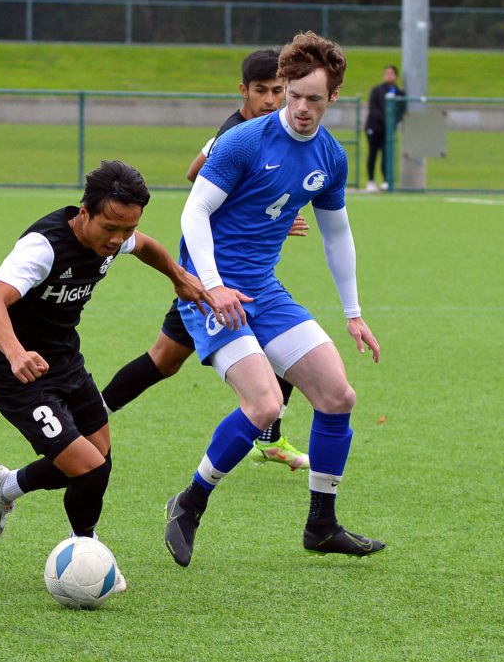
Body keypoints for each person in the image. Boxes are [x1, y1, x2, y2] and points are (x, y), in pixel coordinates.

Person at [163, 32, 385, 567]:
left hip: (264, 288)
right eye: (293, 95)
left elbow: (337, 235)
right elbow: (193, 213)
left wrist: (353, 313)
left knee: (337, 395)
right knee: (265, 404)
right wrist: (211, 286)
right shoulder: (245, 141)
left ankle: (322, 525)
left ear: (334, 97)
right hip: (209, 287)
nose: (302, 108)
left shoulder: (331, 157)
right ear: (282, 89)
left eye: (314, 98)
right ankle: (188, 504)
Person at [0, 160, 219, 589]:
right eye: (111, 227)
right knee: (87, 468)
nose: (118, 239)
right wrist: (16, 354)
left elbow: (145, 246)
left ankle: (7, 485)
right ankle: (85, 550)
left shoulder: (115, 237)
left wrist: (179, 277)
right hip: (20, 376)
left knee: (98, 457)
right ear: (84, 212)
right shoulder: (44, 247)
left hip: (66, 362)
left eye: (126, 228)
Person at [101, 49, 311, 471]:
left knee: (286, 345)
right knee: (164, 359)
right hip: (212, 272)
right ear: (244, 91)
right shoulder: (236, 134)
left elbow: (203, 171)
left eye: (278, 91)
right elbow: (197, 172)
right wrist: (246, 208)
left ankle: (269, 438)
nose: (271, 100)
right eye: (261, 91)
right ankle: (92, 414)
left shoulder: (272, 131)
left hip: (242, 273)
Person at [365, 65, 405, 192]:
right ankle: (370, 181)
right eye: (386, 73)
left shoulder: (399, 93)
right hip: (374, 128)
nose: (388, 76)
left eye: (391, 73)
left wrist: (392, 123)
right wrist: (386, 119)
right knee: (372, 154)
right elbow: (373, 109)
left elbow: (400, 111)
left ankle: (386, 181)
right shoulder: (377, 90)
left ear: (396, 76)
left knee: (386, 155)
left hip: (387, 131)